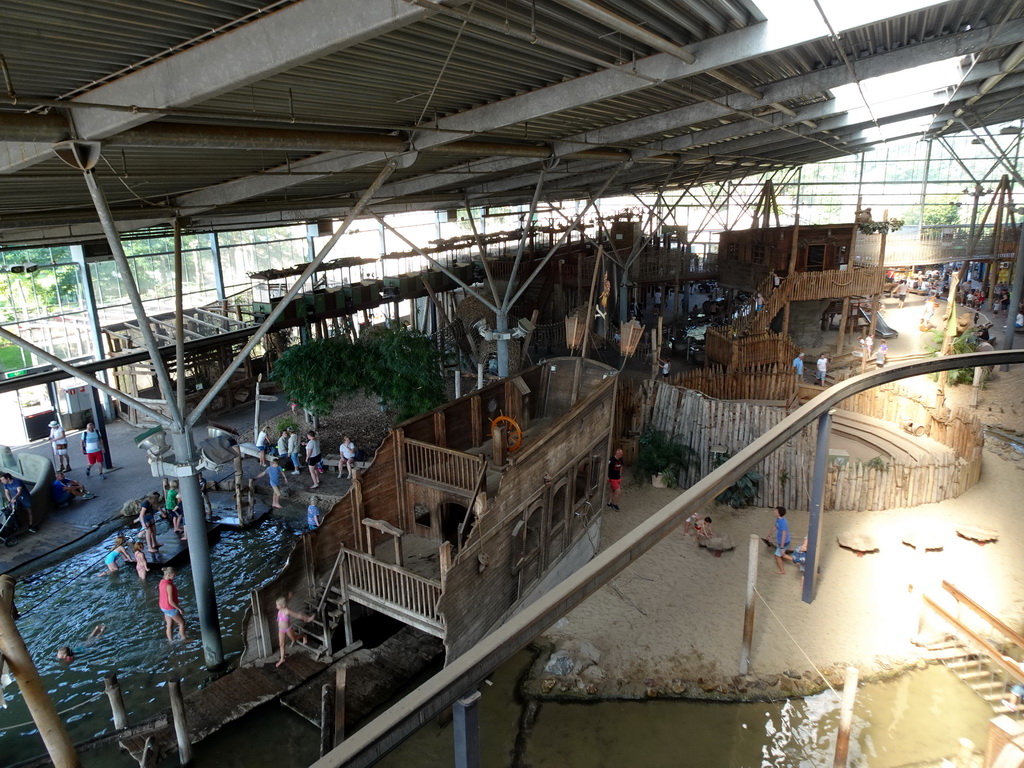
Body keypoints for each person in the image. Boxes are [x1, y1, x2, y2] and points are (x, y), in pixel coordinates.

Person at [275, 596, 314, 667]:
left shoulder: (287, 611)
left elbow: (298, 615)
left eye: (277, 605)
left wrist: (307, 619)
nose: (276, 606)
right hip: (281, 629)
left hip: (288, 629)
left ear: (282, 605)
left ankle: (304, 636)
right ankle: (282, 659)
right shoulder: (279, 610)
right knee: (281, 644)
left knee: (294, 638)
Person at [159, 567, 187, 642]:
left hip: (163, 606)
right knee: (181, 623)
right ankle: (183, 639)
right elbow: (171, 601)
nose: (175, 576)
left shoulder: (162, 581)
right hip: (170, 608)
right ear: (168, 575)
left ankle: (170, 641)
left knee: (169, 624)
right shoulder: (169, 586)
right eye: (174, 575)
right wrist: (179, 608)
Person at [769, 506, 792, 574]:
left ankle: (783, 570)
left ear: (779, 513)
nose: (774, 511)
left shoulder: (783, 523)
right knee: (782, 555)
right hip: (781, 542)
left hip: (784, 542)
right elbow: (775, 526)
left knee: (778, 555)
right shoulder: (778, 519)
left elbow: (784, 535)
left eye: (776, 511)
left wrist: (781, 547)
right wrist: (769, 535)